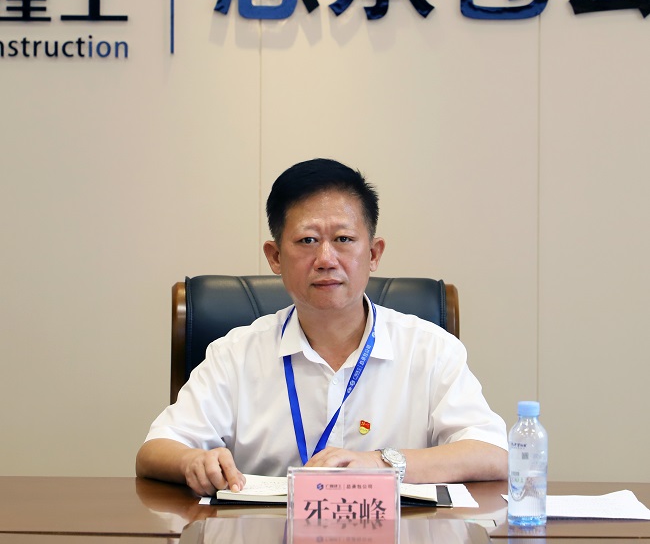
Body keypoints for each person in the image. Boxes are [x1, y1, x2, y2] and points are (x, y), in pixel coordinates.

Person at [136, 158, 508, 497]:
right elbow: (154, 451)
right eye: (307, 241)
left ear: (374, 254)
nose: (326, 259)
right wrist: (193, 461)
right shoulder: (235, 354)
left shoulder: (430, 349)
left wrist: (383, 463)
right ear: (275, 257)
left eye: (343, 239)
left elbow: (492, 454)